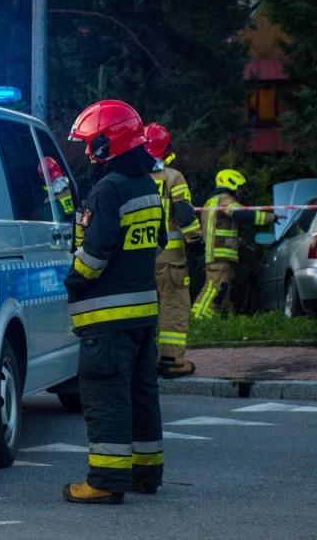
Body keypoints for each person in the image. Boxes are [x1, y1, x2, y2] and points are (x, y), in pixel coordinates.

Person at [62, 100, 166, 505]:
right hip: (142, 313)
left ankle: (106, 480)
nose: (90, 152)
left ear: (110, 143)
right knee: (141, 393)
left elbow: (95, 254)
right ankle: (146, 472)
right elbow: (153, 243)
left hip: (106, 316)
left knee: (106, 394)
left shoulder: (108, 189)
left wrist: (73, 280)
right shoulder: (147, 186)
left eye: (94, 144)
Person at [145, 123, 202, 379]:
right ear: (165, 149)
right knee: (174, 306)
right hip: (170, 260)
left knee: (141, 310)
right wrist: (195, 240)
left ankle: (140, 363)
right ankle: (170, 360)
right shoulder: (172, 177)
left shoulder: (130, 179)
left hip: (138, 258)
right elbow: (184, 213)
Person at [191, 169, 278, 320]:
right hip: (219, 256)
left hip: (219, 255)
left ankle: (217, 321)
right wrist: (270, 217)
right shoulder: (224, 200)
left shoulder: (211, 202)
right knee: (215, 289)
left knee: (223, 291)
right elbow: (241, 214)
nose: (240, 191)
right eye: (239, 187)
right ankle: (199, 319)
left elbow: (220, 231)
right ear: (231, 184)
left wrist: (242, 244)